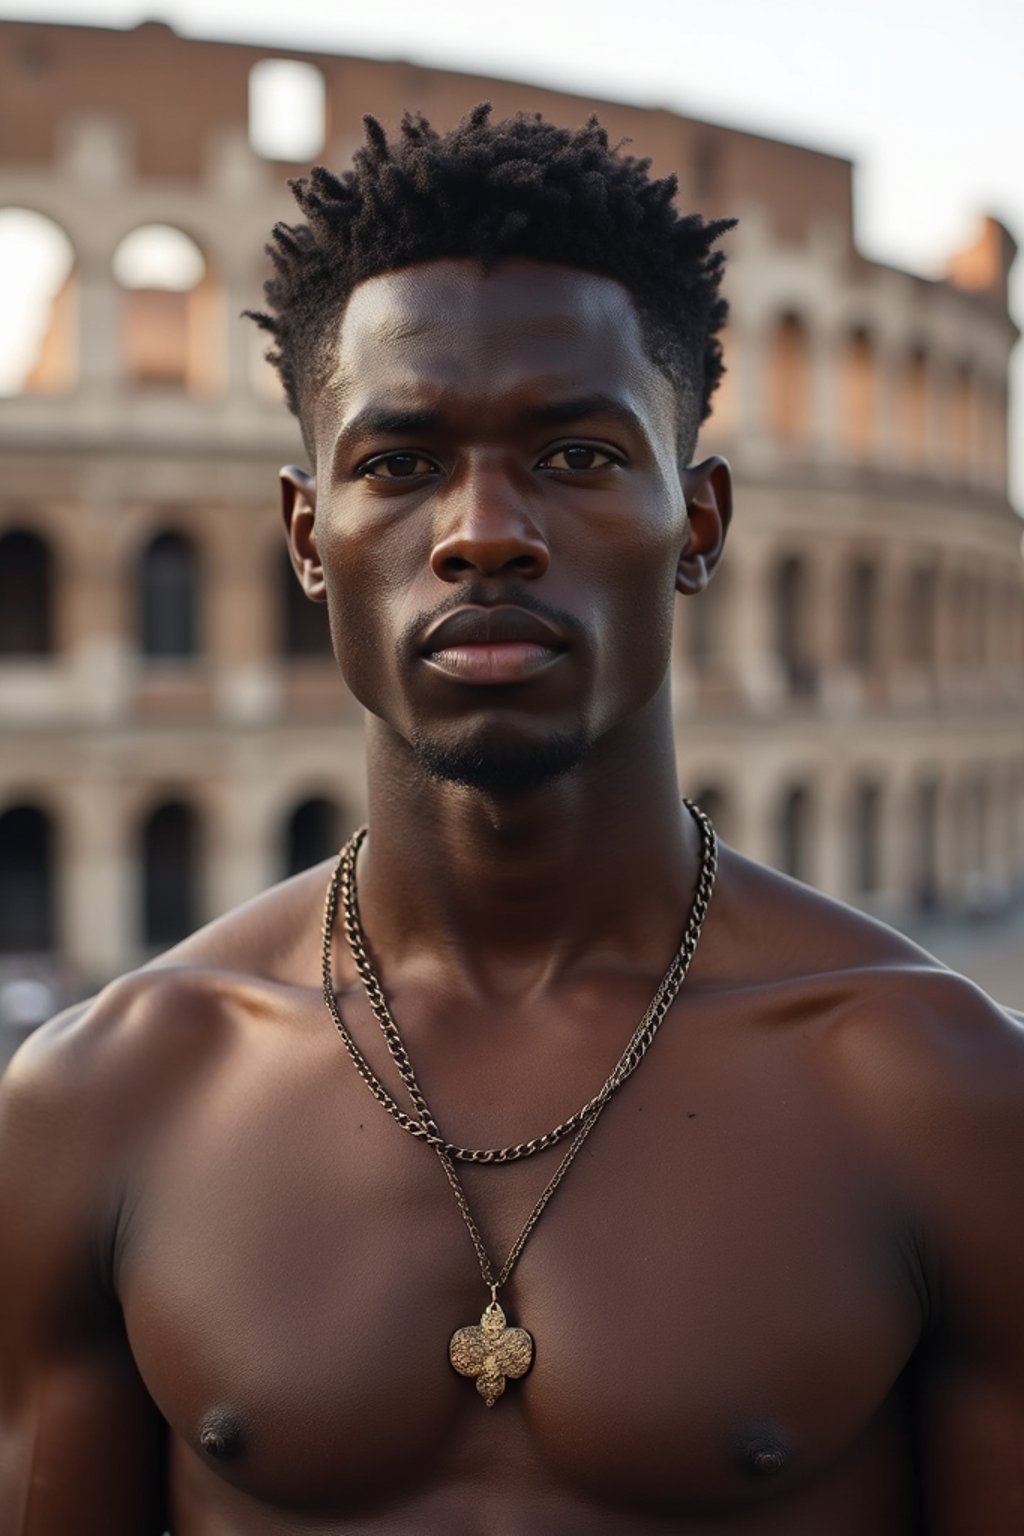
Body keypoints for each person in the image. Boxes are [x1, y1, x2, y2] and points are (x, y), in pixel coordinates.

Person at [1, 105, 1022, 1536]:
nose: (485, 528)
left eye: (580, 456)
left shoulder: (943, 1093)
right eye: (400, 464)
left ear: (704, 526)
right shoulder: (107, 1098)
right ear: (308, 537)